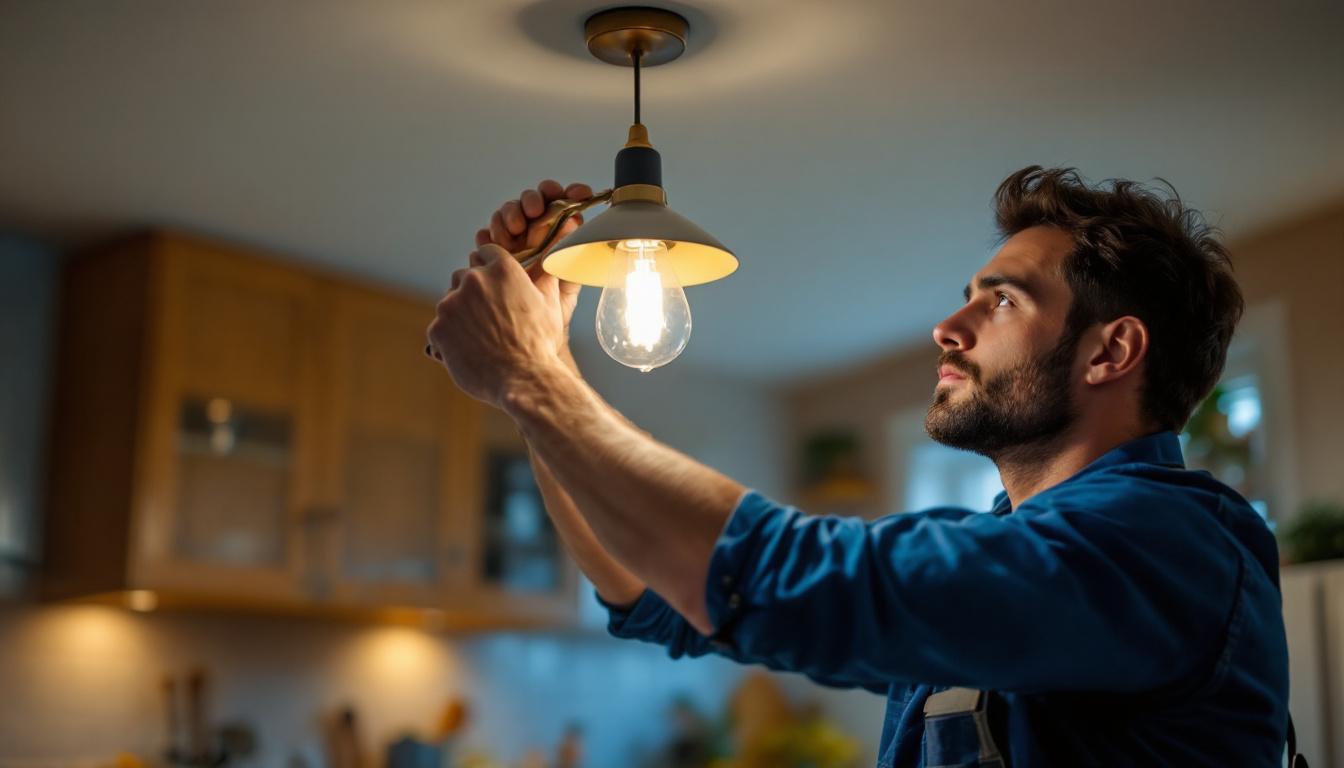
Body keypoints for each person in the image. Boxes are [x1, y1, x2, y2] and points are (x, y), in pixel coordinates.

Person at [425, 167, 1289, 766]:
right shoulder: (1015, 558)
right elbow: (648, 592)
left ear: (1113, 351)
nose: (949, 327)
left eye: (1003, 299)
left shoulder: (1168, 544)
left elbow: (808, 582)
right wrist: (542, 371)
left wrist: (531, 376)